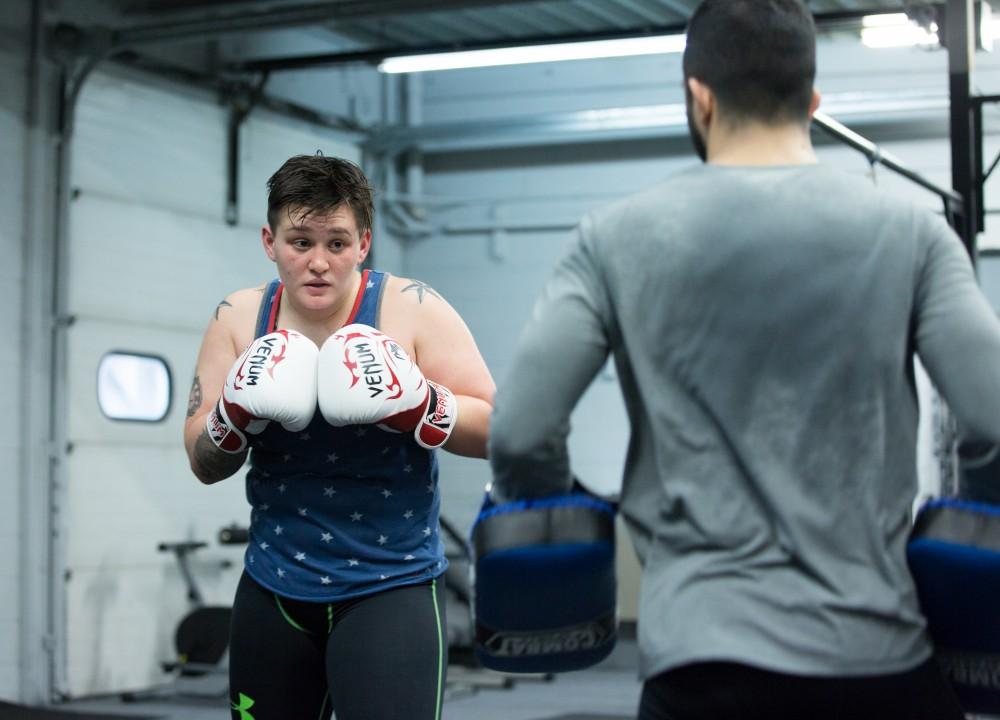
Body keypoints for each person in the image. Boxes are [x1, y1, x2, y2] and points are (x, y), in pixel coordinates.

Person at [487, 1, 1000, 718]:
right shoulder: (914, 233)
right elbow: (993, 422)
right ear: (813, 101)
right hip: (880, 657)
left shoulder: (613, 237)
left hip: (702, 665)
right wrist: (971, 533)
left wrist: (550, 518)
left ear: (699, 96)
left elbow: (519, 432)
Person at [183, 153, 495, 720]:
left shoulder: (413, 310)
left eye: (337, 243)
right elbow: (202, 461)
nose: (319, 263)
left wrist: (423, 404)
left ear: (364, 243)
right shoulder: (237, 317)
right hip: (273, 588)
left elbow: (498, 430)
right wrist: (230, 415)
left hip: (390, 589)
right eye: (301, 242)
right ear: (269, 241)